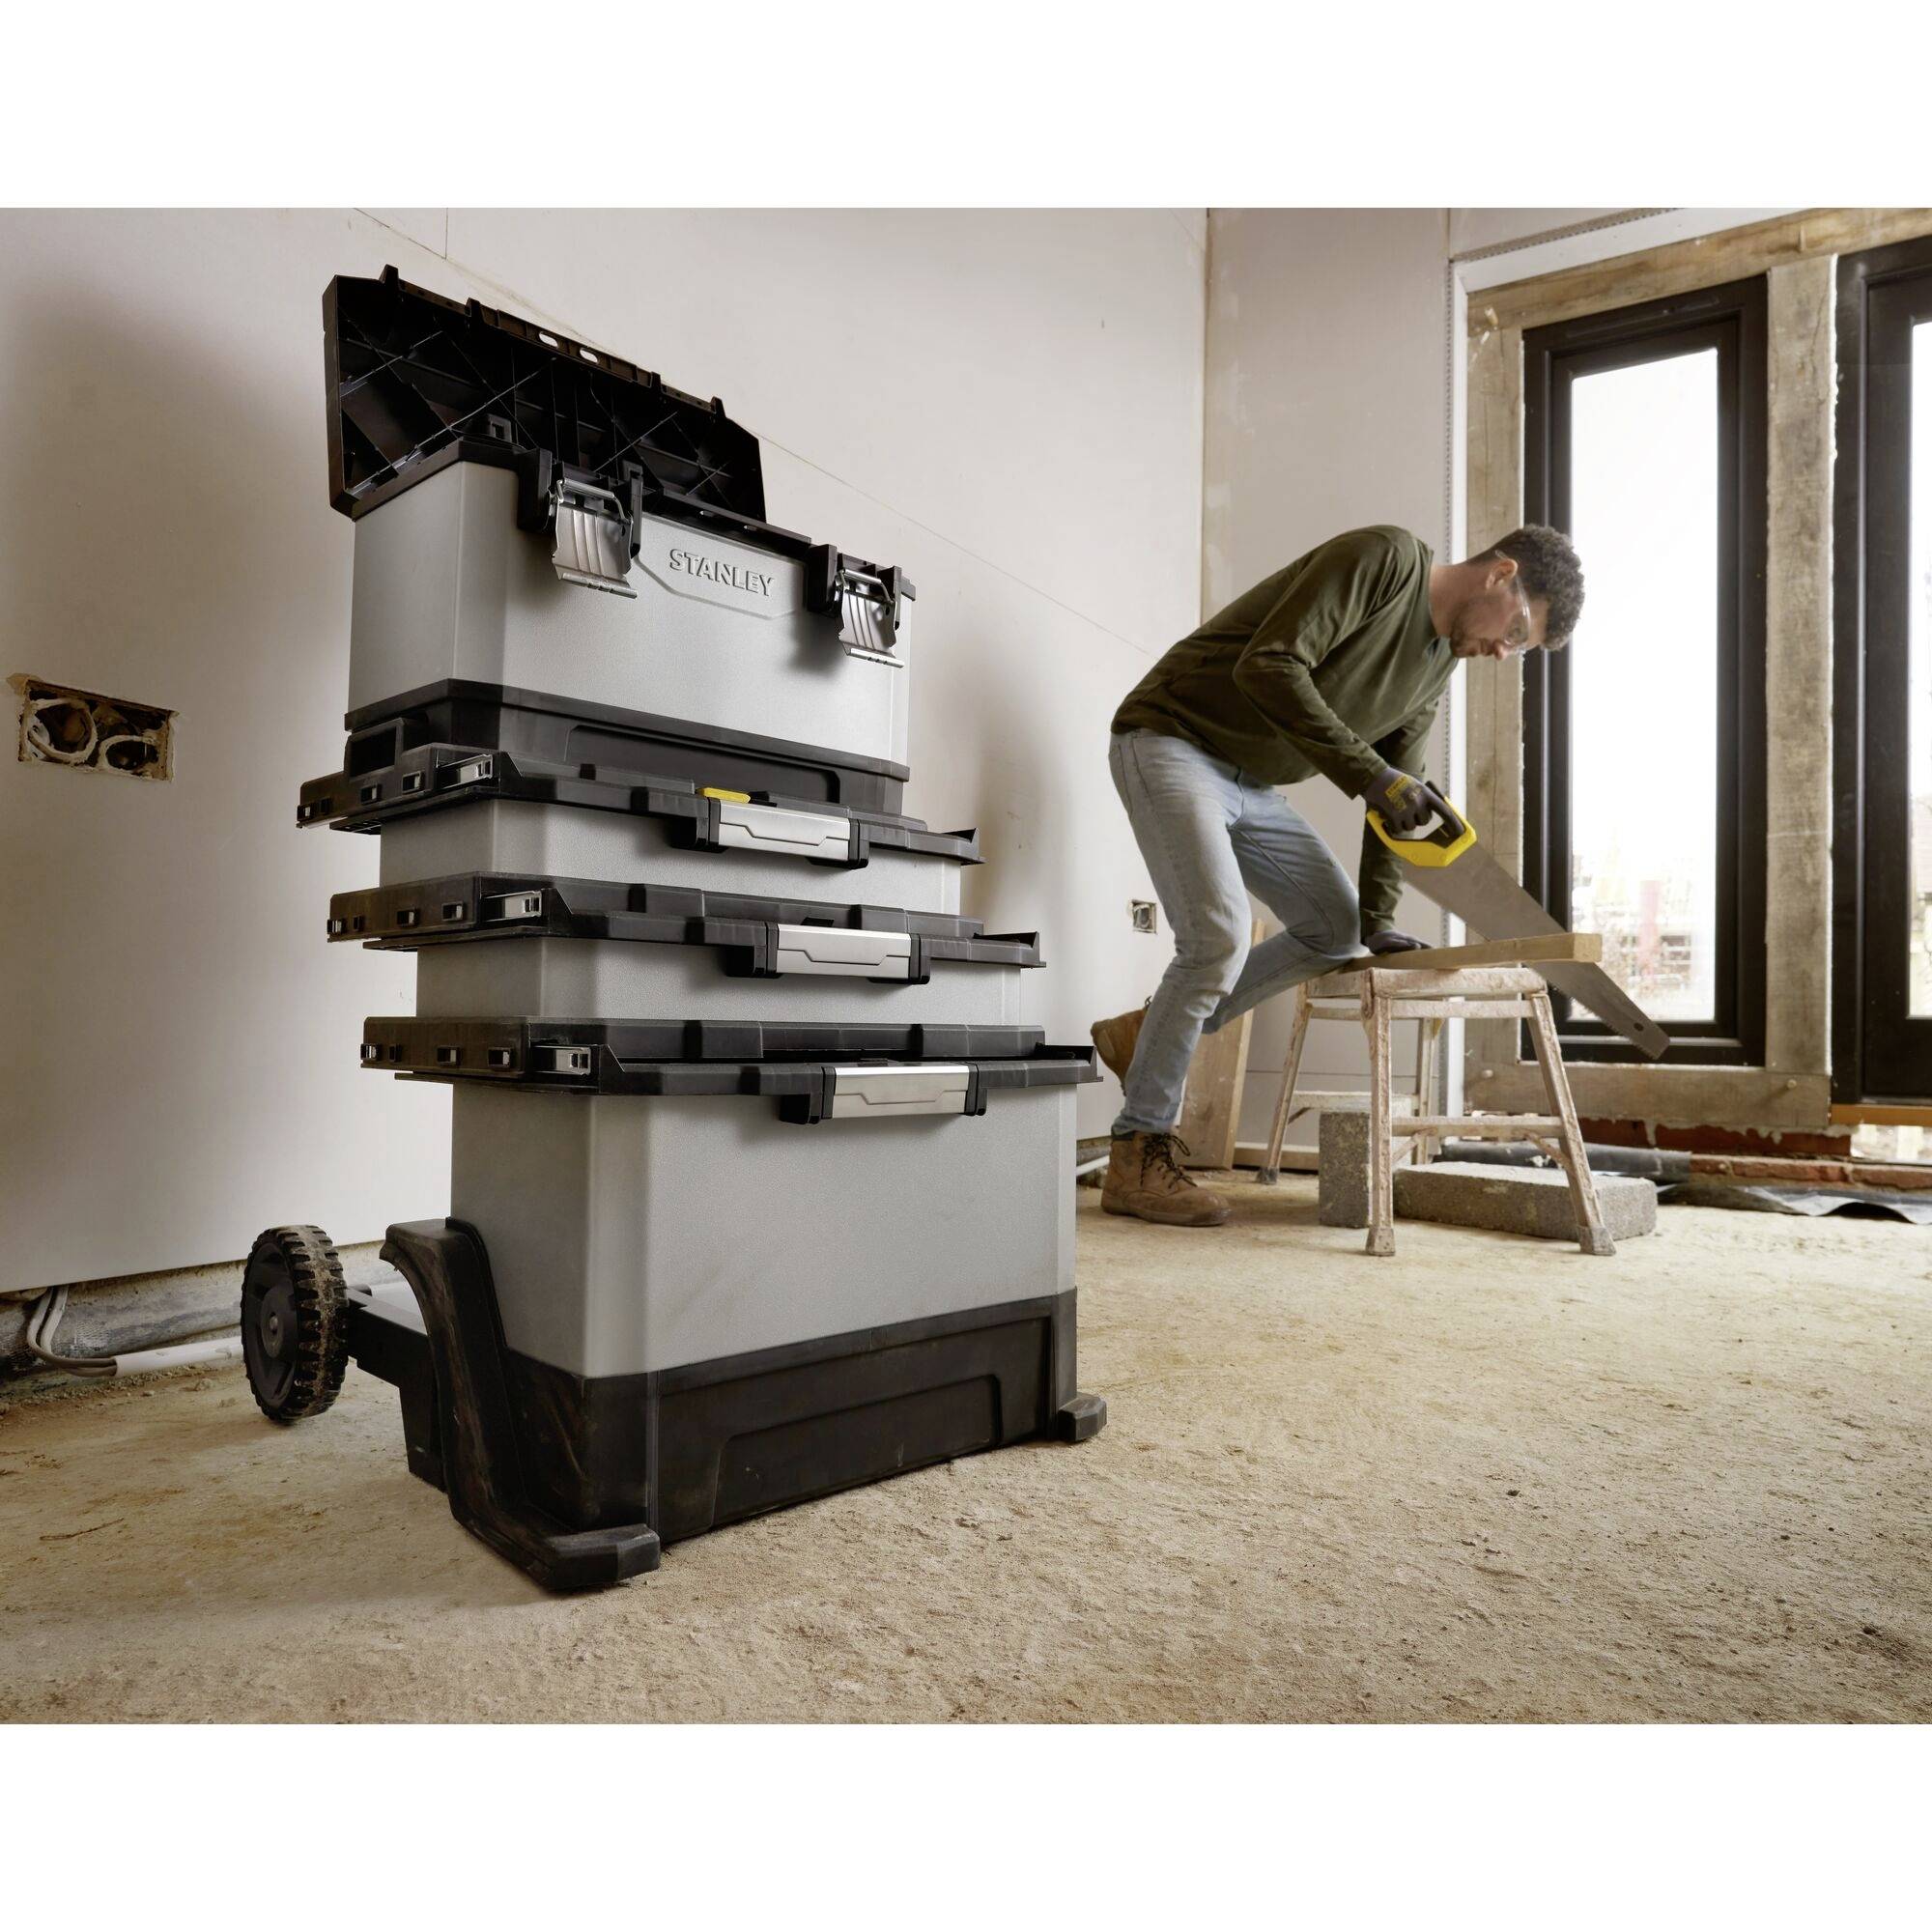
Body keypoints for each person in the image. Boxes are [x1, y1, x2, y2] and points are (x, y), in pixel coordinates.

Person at [1091, 523, 1585, 1227]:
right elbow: (1268, 666)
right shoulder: (1384, 560)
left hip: (1254, 782)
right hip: (1171, 738)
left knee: (1335, 929)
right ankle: (1137, 1151)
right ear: (1501, 575)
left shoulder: (1436, 668)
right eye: (1518, 632)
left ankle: (1146, 1032)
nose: (1504, 653)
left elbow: (1399, 796)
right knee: (1218, 936)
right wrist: (1374, 776)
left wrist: (1380, 920)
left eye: (1520, 650)